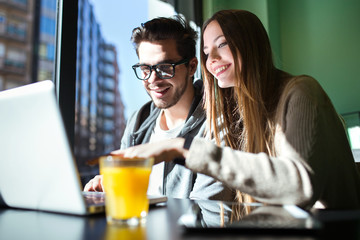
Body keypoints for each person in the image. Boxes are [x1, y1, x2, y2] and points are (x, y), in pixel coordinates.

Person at [114, 10, 360, 210]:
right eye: (208, 52)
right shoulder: (241, 108)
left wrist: (182, 147)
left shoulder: (301, 92)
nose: (213, 60)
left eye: (223, 45)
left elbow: (300, 186)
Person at [84, 16, 234, 201]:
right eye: (145, 69)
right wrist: (107, 185)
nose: (153, 80)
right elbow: (125, 190)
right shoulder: (139, 120)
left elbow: (207, 216)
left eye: (164, 67)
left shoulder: (217, 123)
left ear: (192, 67)